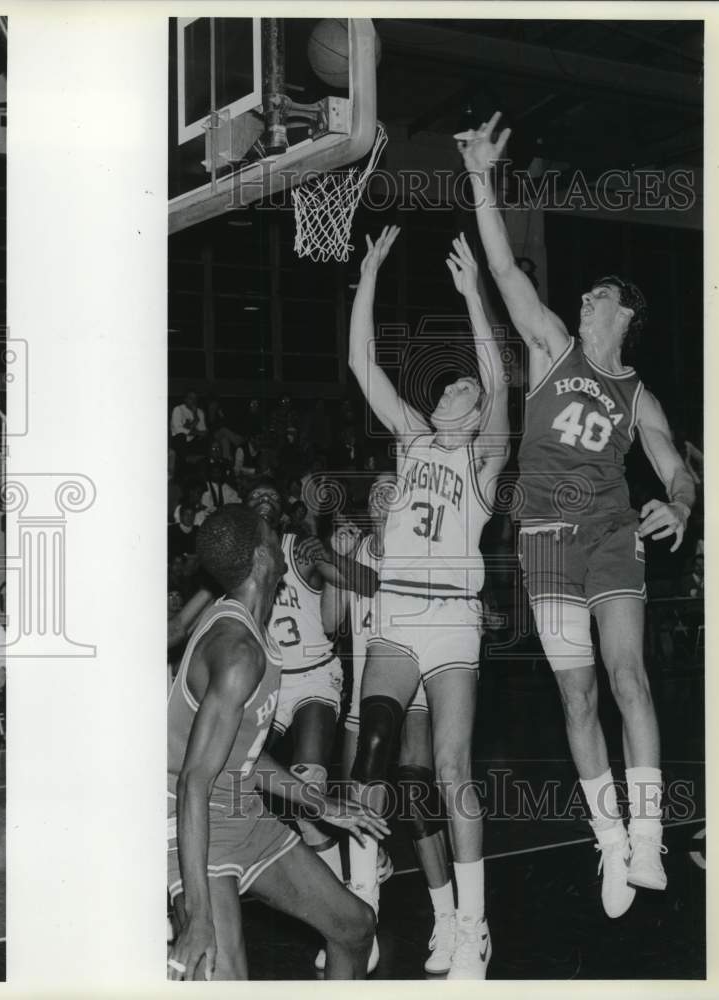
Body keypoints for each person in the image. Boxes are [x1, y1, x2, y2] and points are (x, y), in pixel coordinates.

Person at [458, 111, 697, 917]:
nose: (582, 301)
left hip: (610, 533)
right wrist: (481, 179)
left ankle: (651, 838)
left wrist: (681, 501)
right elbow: (501, 268)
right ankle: (609, 843)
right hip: (545, 542)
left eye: (595, 297)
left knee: (630, 676)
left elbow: (671, 465)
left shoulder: (639, 394)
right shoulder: (553, 346)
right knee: (578, 697)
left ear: (620, 313)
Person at [347, 226, 510, 979]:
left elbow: (501, 381)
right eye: (452, 385)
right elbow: (360, 362)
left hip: (452, 622)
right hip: (397, 615)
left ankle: (472, 927)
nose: (461, 390)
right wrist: (370, 274)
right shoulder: (413, 442)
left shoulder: (482, 462)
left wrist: (475, 292)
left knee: (451, 772)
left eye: (468, 389)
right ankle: (364, 914)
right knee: (374, 757)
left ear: (478, 416)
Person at [167, 505, 387, 981]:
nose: (281, 534)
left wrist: (319, 803)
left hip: (240, 809)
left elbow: (240, 755)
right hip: (189, 820)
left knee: (354, 926)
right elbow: (192, 784)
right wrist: (199, 916)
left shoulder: (250, 627)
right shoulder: (238, 650)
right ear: (263, 556)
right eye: (271, 532)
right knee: (222, 976)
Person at [321, 472, 456, 975]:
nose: (385, 495)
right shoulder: (354, 554)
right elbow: (333, 621)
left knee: (418, 801)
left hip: (415, 693)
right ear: (368, 506)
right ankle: (363, 925)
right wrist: (335, 562)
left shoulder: (422, 554)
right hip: (364, 701)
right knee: (357, 808)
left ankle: (450, 919)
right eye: (377, 490)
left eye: (394, 490)